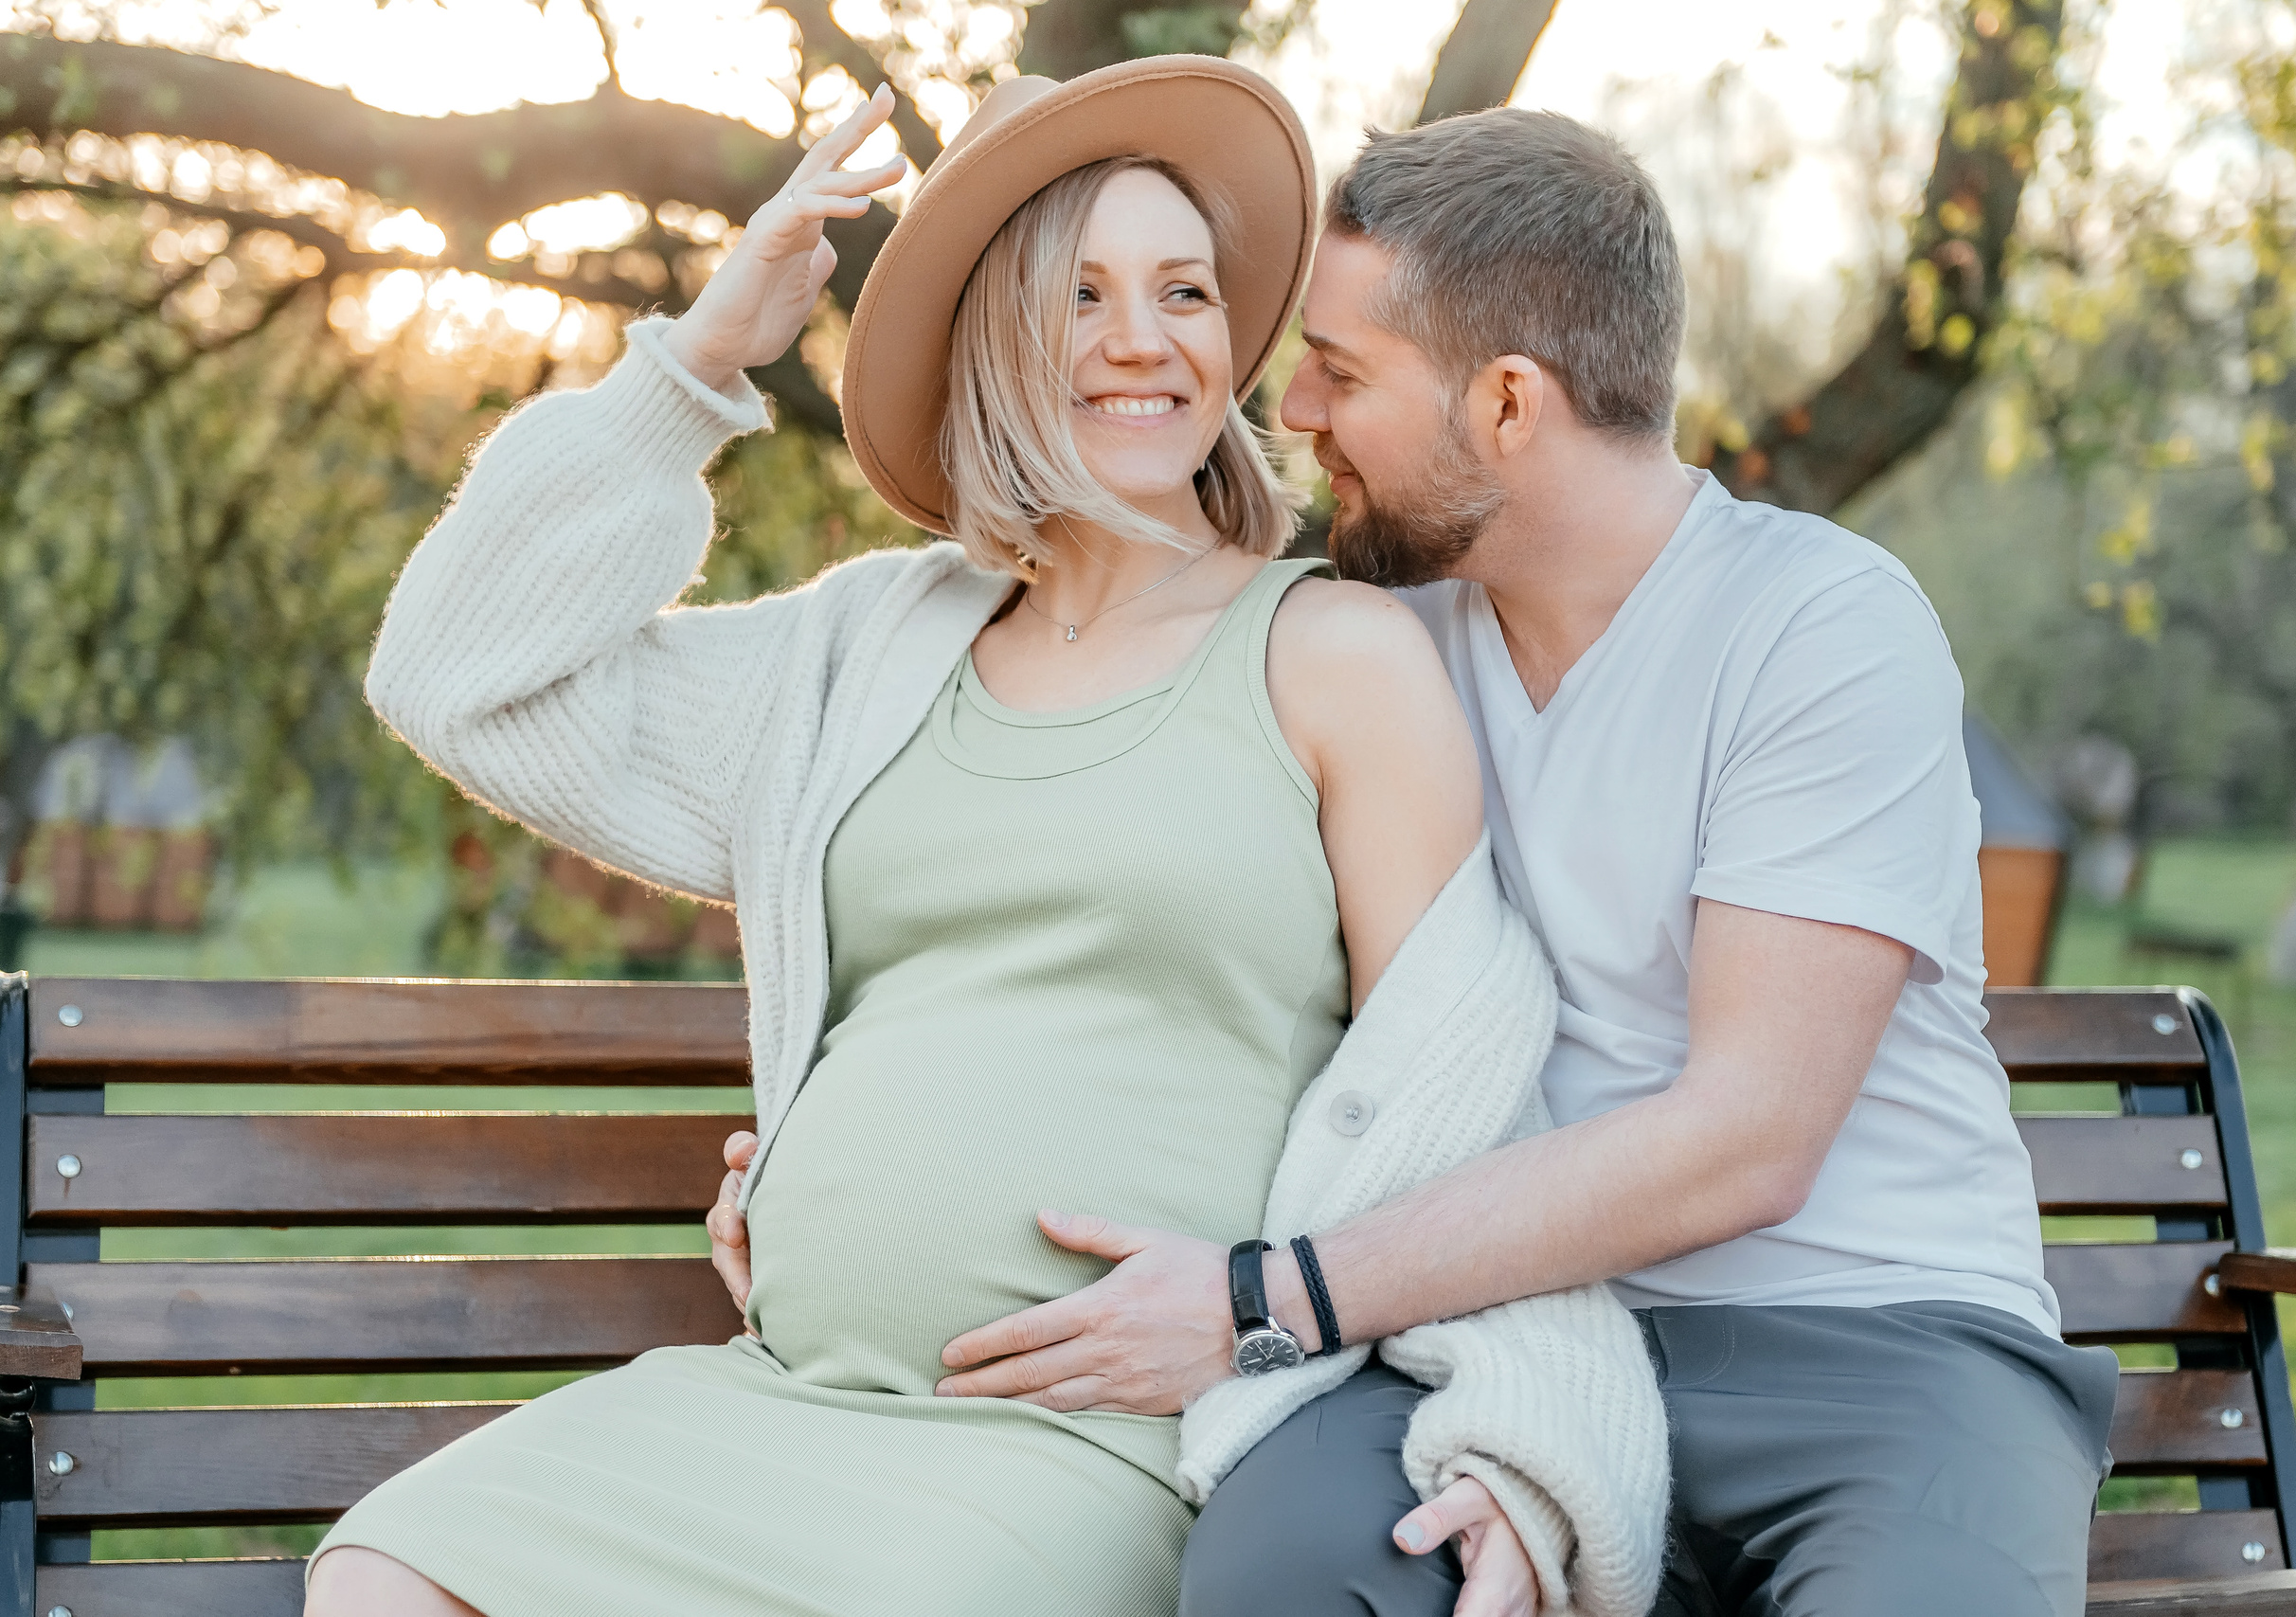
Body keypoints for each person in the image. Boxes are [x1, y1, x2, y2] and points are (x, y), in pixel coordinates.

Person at [715, 107, 2124, 1617]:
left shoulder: (1819, 627)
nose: (1294, 407)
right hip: (1476, 1329)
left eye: (1341, 367)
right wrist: (829, 1131)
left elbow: (1748, 1138)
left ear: (1508, 403)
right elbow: (1096, 895)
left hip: (1873, 1344)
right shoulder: (1362, 639)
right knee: (1285, 1580)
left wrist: (1271, 1300)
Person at [307, 59, 1666, 1617]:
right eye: (1080, 295)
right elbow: (453, 675)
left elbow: (1461, 1100)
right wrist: (696, 361)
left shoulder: (1334, 656)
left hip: (1089, 1444)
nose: (1144, 340)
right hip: (788, 1395)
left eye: (1185, 291)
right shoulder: (863, 651)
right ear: (994, 338)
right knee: (387, 1570)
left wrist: (1521, 1438)